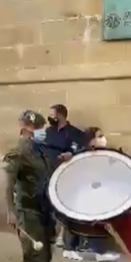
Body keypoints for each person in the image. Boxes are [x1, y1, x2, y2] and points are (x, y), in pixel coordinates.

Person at [0, 110, 56, 262]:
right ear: (23, 129)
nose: (39, 133)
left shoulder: (40, 151)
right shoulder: (17, 152)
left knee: (44, 257)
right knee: (35, 258)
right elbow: (8, 184)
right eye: (35, 129)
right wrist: (10, 212)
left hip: (43, 210)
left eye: (41, 128)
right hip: (26, 212)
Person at [61, 126, 121, 262]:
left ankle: (87, 250)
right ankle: (75, 249)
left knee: (91, 222)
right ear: (91, 140)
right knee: (82, 221)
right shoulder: (82, 155)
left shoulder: (103, 154)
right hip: (82, 193)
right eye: (99, 136)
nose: (103, 139)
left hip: (94, 193)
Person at [45, 104, 86, 248]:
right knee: (47, 205)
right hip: (47, 172)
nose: (50, 118)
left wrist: (71, 155)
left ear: (61, 115)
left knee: (62, 205)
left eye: (52, 114)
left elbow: (83, 151)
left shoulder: (74, 133)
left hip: (65, 175)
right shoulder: (48, 132)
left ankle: (63, 236)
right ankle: (48, 235)